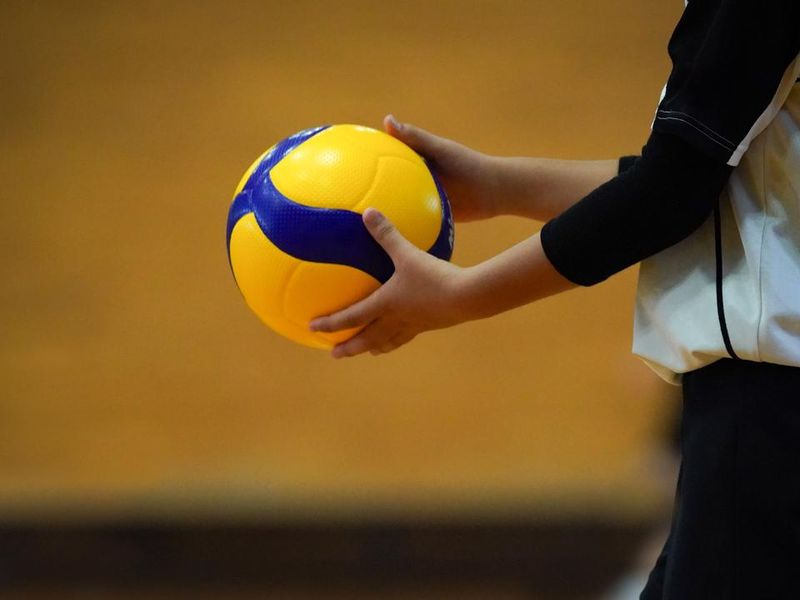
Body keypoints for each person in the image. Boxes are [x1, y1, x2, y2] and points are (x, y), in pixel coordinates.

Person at [310, 1, 800, 597]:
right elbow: (704, 183)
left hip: (769, 416)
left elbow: (674, 192)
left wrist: (461, 295)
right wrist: (498, 186)